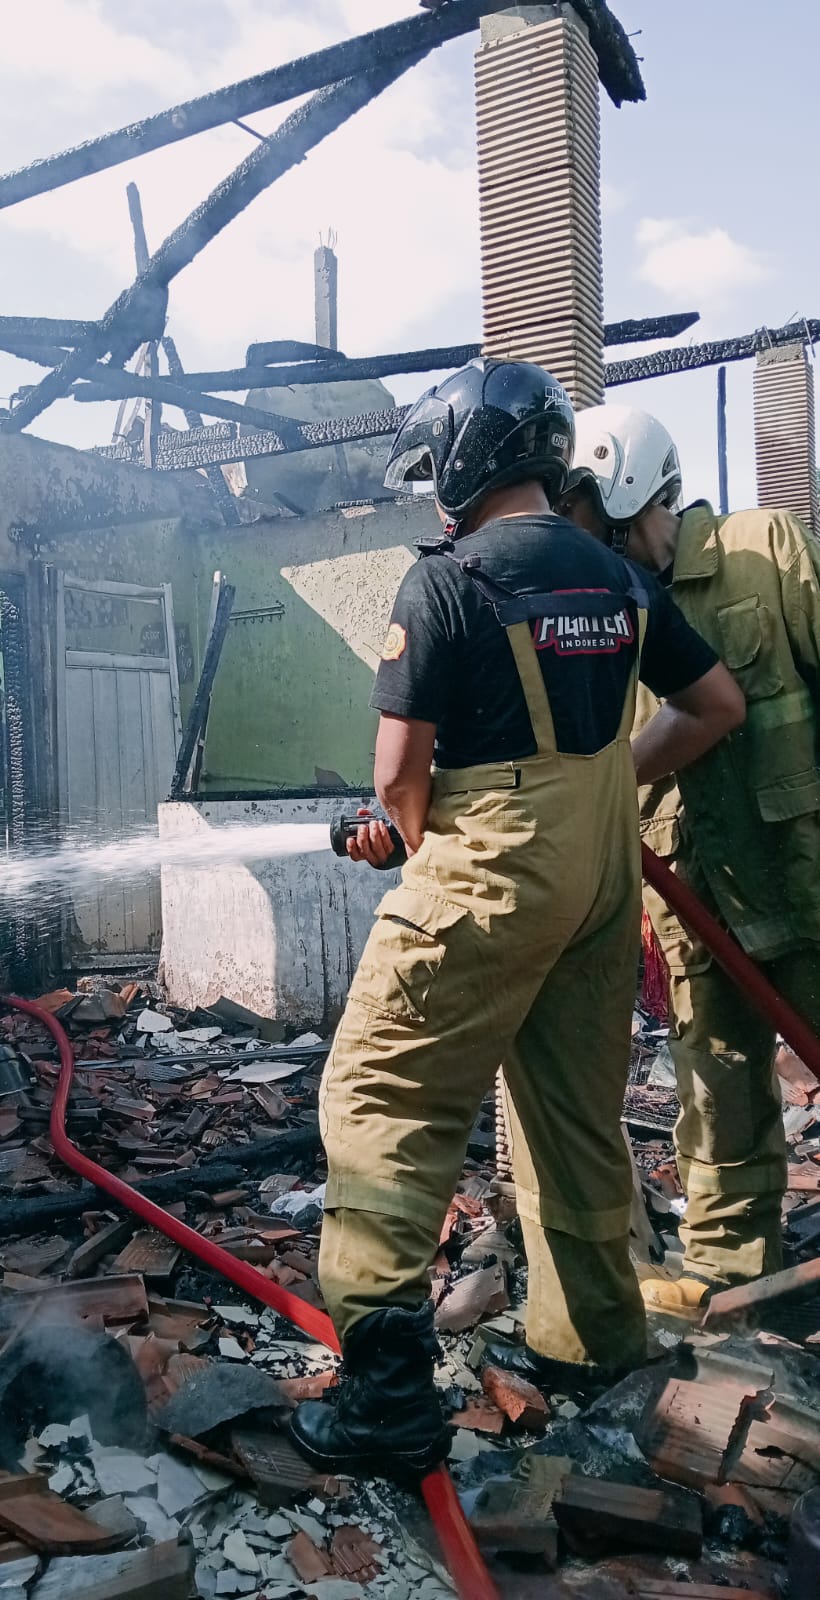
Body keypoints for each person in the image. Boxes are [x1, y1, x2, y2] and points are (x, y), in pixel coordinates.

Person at [287, 358, 744, 1481]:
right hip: (598, 878)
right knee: (571, 1114)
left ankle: (388, 1397)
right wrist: (606, 789)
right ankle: (596, 1351)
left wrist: (402, 832)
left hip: (487, 877)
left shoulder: (441, 582)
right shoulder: (618, 575)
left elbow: (401, 781)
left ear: (464, 460)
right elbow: (714, 704)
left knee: (380, 1092)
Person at [562, 403, 820, 1314]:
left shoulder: (767, 551)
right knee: (716, 1097)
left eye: (606, 534)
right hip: (697, 904)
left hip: (804, 881)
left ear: (634, 495)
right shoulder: (603, 614)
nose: (601, 555)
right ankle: (732, 1280)